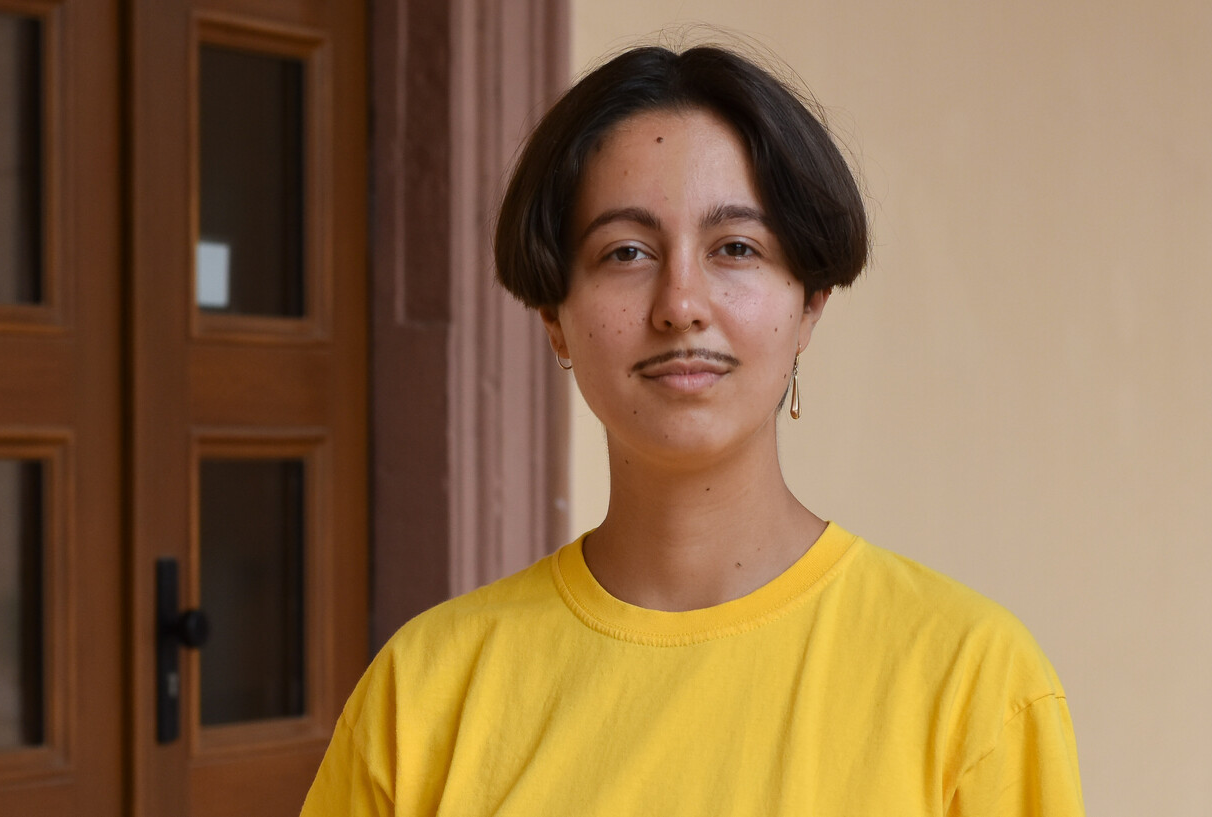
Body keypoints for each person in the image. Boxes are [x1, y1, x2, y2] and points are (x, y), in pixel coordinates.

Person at [300, 43, 1084, 816]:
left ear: (808, 303)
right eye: (627, 251)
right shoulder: (425, 693)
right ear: (555, 318)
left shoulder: (971, 682)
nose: (681, 302)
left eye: (735, 248)